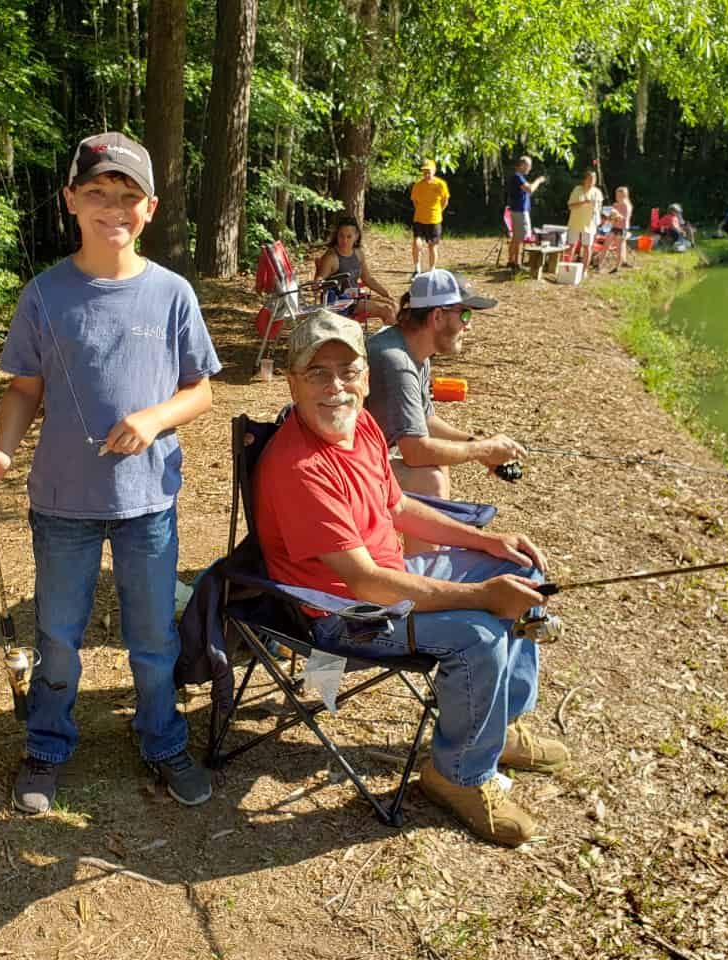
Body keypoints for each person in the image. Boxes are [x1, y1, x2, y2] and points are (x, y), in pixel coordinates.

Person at [0, 132, 222, 815]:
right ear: (70, 202)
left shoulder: (172, 295)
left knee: (153, 637)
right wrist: (2, 450)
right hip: (61, 505)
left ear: (152, 208)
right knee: (57, 635)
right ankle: (48, 746)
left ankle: (163, 740)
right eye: (98, 194)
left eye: (128, 197)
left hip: (149, 505)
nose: (114, 208)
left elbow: (201, 389)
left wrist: (156, 418)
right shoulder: (45, 294)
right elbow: (23, 389)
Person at [254, 308, 568, 847]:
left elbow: (396, 504)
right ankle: (458, 775)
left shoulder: (362, 424)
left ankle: (499, 725)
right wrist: (480, 597)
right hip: (343, 616)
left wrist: (487, 543)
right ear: (291, 380)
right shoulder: (301, 469)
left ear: (366, 376)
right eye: (317, 373)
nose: (336, 387)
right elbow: (367, 586)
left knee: (520, 570)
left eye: (348, 371)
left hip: (387, 577)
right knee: (481, 632)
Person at [366, 270, 525, 554]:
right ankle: (427, 577)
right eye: (465, 315)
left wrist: (475, 444)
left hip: (359, 462)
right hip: (335, 473)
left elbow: (425, 420)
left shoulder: (412, 351)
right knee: (430, 477)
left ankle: (428, 561)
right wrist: (484, 450)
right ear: (437, 316)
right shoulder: (396, 361)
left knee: (435, 468)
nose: (469, 326)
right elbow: (415, 450)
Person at [314, 216, 396, 326]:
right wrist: (318, 282)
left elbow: (367, 279)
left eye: (349, 236)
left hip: (356, 297)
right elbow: (320, 278)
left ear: (356, 237)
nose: (344, 240)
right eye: (341, 236)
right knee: (388, 311)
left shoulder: (358, 253)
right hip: (342, 302)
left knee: (393, 305)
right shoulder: (331, 257)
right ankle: (385, 342)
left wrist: (386, 294)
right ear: (336, 235)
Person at [410, 159, 450, 276]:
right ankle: (417, 269)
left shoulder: (440, 184)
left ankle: (432, 270)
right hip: (419, 218)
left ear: (434, 171)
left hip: (434, 219)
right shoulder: (418, 185)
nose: (426, 174)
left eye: (429, 171)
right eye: (424, 172)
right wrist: (422, 211)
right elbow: (415, 202)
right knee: (417, 242)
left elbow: (445, 201)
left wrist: (438, 211)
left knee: (432, 246)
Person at [505, 156, 546, 270]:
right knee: (519, 238)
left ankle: (511, 261)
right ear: (522, 165)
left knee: (515, 238)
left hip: (517, 210)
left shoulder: (519, 177)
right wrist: (538, 180)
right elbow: (530, 189)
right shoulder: (518, 177)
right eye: (529, 165)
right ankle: (516, 263)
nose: (530, 168)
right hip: (519, 211)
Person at [566, 168, 604, 270]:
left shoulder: (597, 192)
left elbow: (599, 209)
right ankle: (566, 269)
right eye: (590, 178)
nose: (592, 181)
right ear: (585, 179)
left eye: (594, 179)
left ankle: (584, 271)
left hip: (590, 224)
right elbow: (570, 206)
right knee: (571, 246)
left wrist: (600, 220)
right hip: (575, 223)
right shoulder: (577, 189)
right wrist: (583, 202)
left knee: (587, 247)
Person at [603, 186, 633, 270]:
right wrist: (610, 218)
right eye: (617, 195)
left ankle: (621, 263)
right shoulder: (615, 205)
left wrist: (615, 216)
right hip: (614, 228)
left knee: (620, 244)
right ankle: (622, 261)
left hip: (623, 229)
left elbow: (623, 219)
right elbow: (610, 218)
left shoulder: (627, 206)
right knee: (612, 243)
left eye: (620, 195)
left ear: (625, 196)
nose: (617, 197)